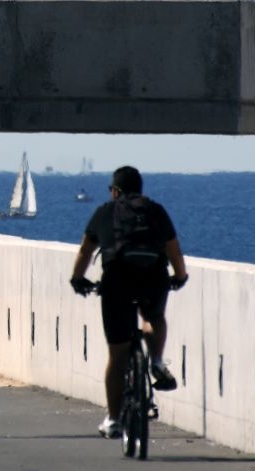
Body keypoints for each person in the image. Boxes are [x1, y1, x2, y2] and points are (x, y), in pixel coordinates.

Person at [69, 165, 189, 439]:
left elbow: (86, 250)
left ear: (115, 191)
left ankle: (113, 419)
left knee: (118, 354)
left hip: (117, 281)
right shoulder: (155, 210)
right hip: (153, 277)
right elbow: (174, 250)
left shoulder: (104, 212)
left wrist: (78, 279)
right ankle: (157, 361)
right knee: (154, 317)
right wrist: (179, 277)